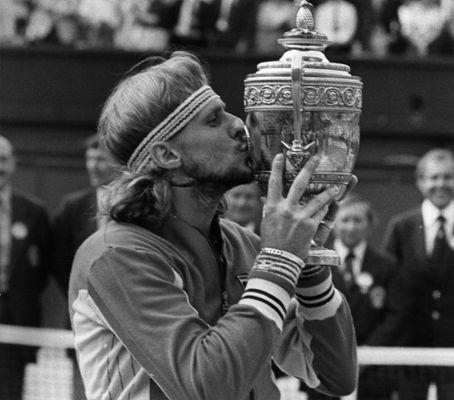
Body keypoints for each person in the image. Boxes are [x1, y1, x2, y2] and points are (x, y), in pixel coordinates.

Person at [68, 51, 357, 400]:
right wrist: (279, 260)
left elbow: (334, 378)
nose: (239, 125)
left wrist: (307, 263)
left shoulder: (244, 244)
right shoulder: (115, 256)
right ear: (167, 155)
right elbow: (206, 387)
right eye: (213, 120)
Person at [304, 194, 398, 400]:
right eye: (345, 220)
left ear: (369, 225)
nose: (351, 226)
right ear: (334, 224)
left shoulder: (386, 265)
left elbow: (395, 316)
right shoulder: (315, 262)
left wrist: (368, 352)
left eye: (358, 220)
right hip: (324, 365)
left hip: (373, 370)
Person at [383, 148, 454, 400]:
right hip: (411, 344)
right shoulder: (402, 227)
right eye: (434, 177)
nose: (441, 184)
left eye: (448, 177)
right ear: (421, 182)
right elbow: (389, 284)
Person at [0, 135, 51, 400]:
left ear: (13, 164)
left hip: (17, 318)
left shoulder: (34, 211)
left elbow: (41, 270)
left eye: (3, 159)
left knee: (9, 391)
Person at [51, 134, 117, 295]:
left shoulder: (136, 204)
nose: (92, 166)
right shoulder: (73, 206)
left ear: (118, 162)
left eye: (100, 159)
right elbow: (57, 259)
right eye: (89, 159)